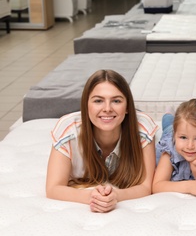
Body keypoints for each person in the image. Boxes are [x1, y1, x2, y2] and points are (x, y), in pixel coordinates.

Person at [46, 69, 158, 212]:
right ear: (86, 106)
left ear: (128, 106)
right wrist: (91, 197)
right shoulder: (68, 128)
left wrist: (116, 195)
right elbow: (53, 188)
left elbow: (146, 186)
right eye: (98, 101)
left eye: (116, 101)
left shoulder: (143, 128)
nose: (107, 109)